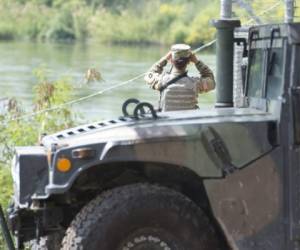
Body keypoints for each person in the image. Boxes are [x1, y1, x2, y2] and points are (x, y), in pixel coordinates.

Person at [144, 44, 215, 111]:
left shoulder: (161, 81)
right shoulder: (196, 83)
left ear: (171, 61)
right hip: (189, 123)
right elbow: (211, 80)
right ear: (189, 62)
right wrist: (197, 62)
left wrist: (165, 59)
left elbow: (148, 75)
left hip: (167, 123)